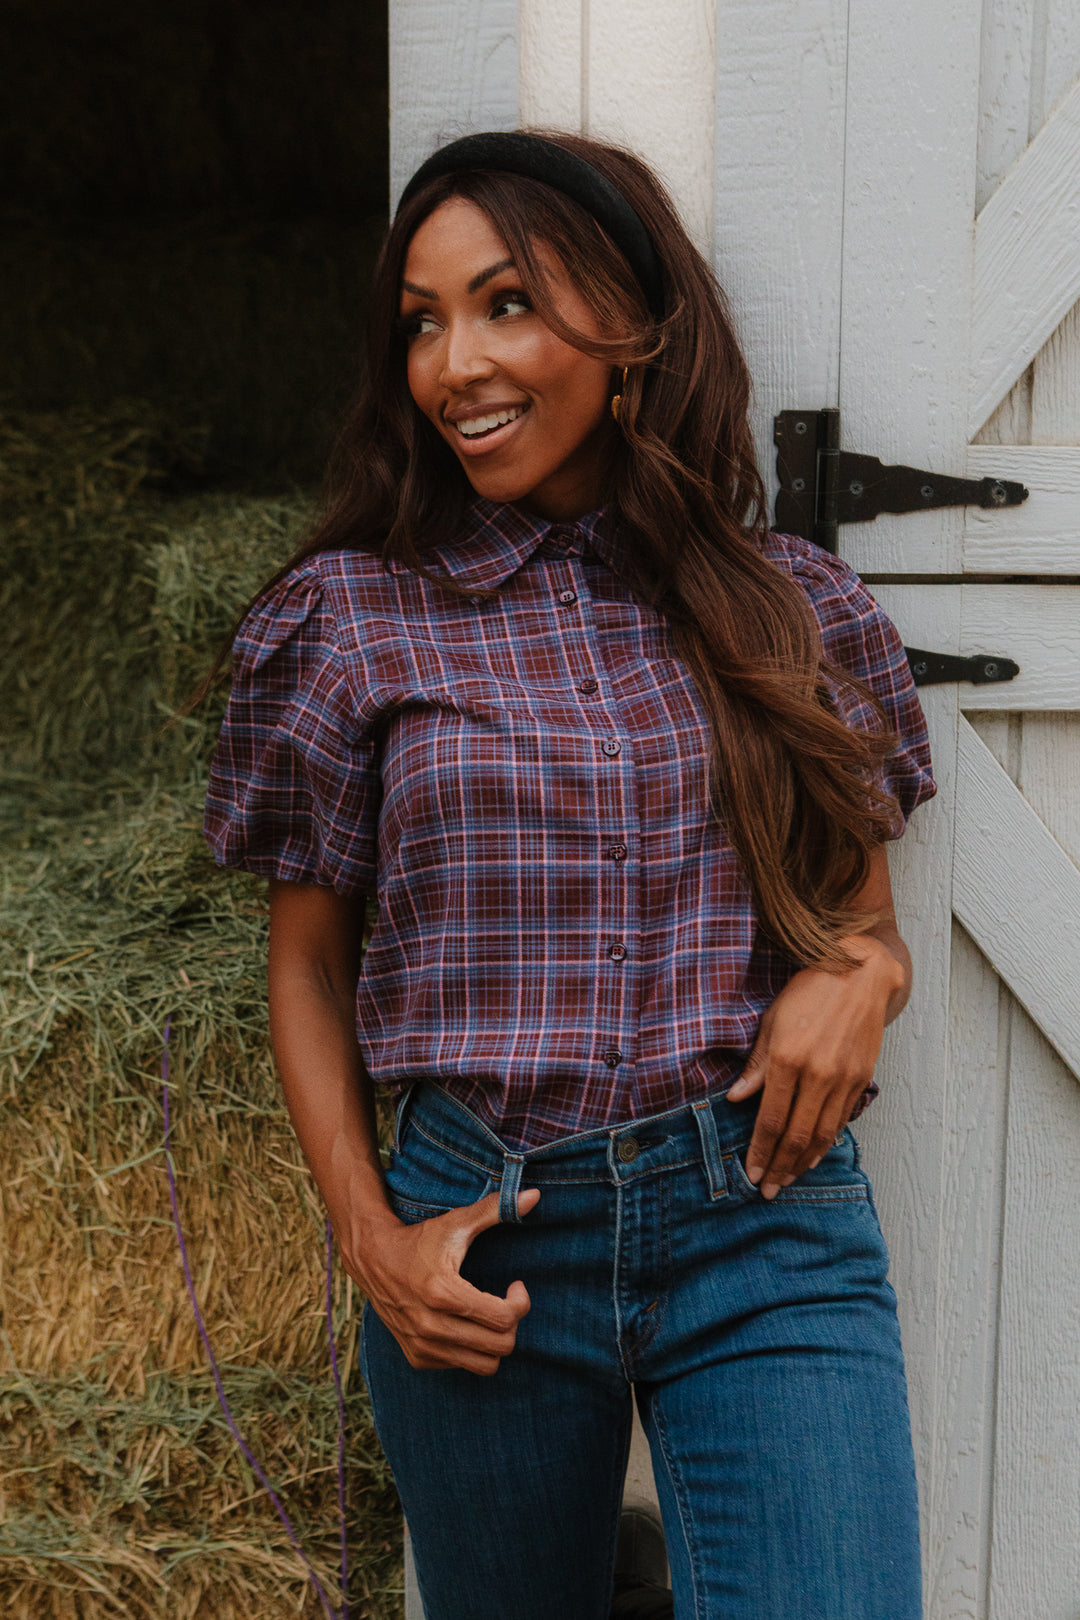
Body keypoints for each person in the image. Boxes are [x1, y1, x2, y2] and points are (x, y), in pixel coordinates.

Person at [203, 129, 935, 1620]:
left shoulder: (788, 603)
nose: (455, 363)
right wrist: (372, 1242)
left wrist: (868, 970)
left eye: (507, 304)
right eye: (422, 320)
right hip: (485, 1246)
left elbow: (859, 915)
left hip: (763, 1223)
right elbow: (307, 961)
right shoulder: (348, 621)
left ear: (637, 328)